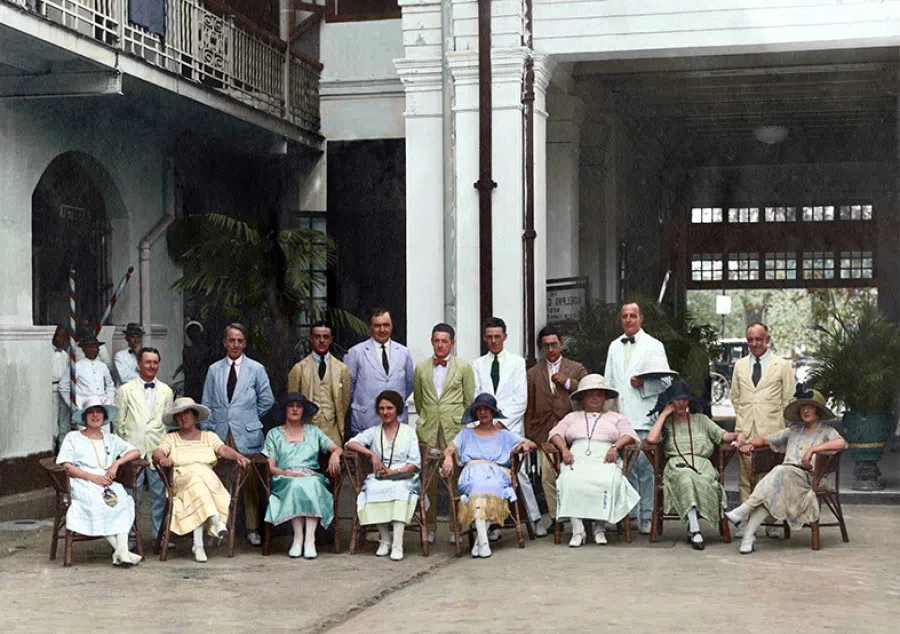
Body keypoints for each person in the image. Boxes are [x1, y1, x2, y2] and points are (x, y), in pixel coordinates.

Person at [726, 385, 847, 555]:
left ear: (818, 410)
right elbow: (766, 439)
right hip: (787, 479)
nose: (806, 410)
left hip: (811, 480)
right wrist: (751, 444)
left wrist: (813, 450)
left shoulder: (827, 432)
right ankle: (747, 537)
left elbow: (841, 443)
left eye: (810, 406)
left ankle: (743, 510)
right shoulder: (793, 431)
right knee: (772, 492)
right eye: (803, 407)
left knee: (779, 472)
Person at [646, 381, 744, 550]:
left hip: (702, 465)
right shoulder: (667, 423)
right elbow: (652, 440)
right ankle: (695, 529)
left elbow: (723, 435)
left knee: (705, 479)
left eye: (684, 399)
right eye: (677, 400)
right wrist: (663, 414)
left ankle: (699, 527)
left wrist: (738, 435)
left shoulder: (701, 420)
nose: (681, 403)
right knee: (686, 478)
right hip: (677, 466)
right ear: (670, 402)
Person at [152, 397, 251, 563]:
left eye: (187, 413)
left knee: (199, 485)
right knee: (197, 476)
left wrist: (238, 455)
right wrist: (163, 459)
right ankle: (216, 521)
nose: (183, 417)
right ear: (176, 419)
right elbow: (157, 452)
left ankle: (198, 546)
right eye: (179, 415)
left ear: (195, 416)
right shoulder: (171, 438)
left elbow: (224, 450)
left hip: (206, 481)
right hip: (182, 478)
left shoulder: (209, 436)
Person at [201, 323, 275, 547]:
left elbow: (267, 400)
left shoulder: (256, 369)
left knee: (250, 482)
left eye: (240, 341)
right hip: (221, 433)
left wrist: (249, 418)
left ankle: (252, 529)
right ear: (225, 342)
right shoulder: (215, 369)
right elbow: (206, 402)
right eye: (231, 340)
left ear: (245, 343)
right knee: (220, 481)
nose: (235, 344)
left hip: (247, 434)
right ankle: (220, 528)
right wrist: (211, 428)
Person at [440, 393, 537, 558]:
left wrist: (525, 445)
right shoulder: (466, 434)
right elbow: (449, 448)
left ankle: (481, 542)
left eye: (487, 409)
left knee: (490, 490)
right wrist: (448, 457)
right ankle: (483, 542)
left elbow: (531, 444)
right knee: (479, 489)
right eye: (479, 410)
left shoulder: (504, 435)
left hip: (496, 474)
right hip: (472, 474)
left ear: (493, 412)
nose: (483, 413)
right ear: (475, 412)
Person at [471, 317, 543, 538]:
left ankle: (535, 518)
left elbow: (520, 399)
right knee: (490, 475)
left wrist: (500, 423)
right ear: (485, 338)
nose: (494, 341)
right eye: (489, 337)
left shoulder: (517, 362)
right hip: (486, 429)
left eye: (497, 336)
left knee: (519, 474)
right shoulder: (477, 364)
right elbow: (476, 397)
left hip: (510, 428)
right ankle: (493, 524)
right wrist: (486, 426)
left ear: (505, 337)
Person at [547, 375, 639, 547]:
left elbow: (630, 435)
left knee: (605, 480)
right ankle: (578, 529)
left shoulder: (615, 417)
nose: (595, 398)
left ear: (605, 397)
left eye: (600, 394)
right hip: (576, 459)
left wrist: (615, 447)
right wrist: (564, 450)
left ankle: (599, 528)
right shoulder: (572, 417)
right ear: (583, 398)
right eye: (591, 394)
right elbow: (555, 434)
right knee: (568, 480)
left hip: (604, 458)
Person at [603, 302, 670, 535]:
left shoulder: (654, 345)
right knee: (625, 468)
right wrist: (608, 417)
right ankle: (629, 515)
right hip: (620, 419)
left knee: (644, 468)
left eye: (633, 316)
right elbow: (608, 384)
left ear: (641, 318)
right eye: (625, 316)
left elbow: (665, 382)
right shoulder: (613, 346)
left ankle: (646, 515)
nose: (629, 320)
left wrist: (645, 384)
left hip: (643, 417)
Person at [56, 396, 143, 567]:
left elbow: (135, 452)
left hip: (105, 481)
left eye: (99, 412)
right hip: (82, 480)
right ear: (84, 417)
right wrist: (92, 477)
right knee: (96, 501)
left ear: (104, 417)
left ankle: (121, 551)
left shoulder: (110, 438)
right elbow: (67, 466)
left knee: (123, 500)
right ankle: (122, 551)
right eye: (91, 413)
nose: (95, 416)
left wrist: (116, 464)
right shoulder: (73, 437)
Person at [730, 322, 795, 538]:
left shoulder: (782, 365)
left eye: (759, 339)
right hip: (747, 429)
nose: (754, 343)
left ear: (767, 338)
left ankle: (772, 522)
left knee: (771, 477)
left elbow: (789, 399)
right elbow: (736, 398)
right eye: (750, 339)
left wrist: (784, 432)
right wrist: (740, 427)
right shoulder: (739, 365)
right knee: (746, 477)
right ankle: (747, 524)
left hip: (772, 430)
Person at [413, 323, 475, 543]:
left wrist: (458, 422)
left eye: (444, 341)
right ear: (431, 342)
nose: (440, 345)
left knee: (455, 479)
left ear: (452, 343)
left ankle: (456, 528)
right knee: (428, 482)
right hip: (429, 430)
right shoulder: (421, 368)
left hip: (454, 430)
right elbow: (419, 401)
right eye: (436, 341)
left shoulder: (464, 367)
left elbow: (469, 401)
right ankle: (428, 528)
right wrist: (428, 418)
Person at [263, 393, 343, 559]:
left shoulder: (314, 432)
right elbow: (270, 467)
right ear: (284, 409)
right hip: (284, 478)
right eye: (290, 405)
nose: (294, 409)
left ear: (303, 410)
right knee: (295, 484)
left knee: (311, 484)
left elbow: (337, 448)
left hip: (312, 476)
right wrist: (286, 473)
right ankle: (297, 538)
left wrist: (335, 454)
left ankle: (309, 539)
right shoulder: (274, 434)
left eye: (298, 406)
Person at [345, 390, 421, 562]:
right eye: (381, 408)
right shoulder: (374, 431)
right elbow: (351, 443)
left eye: (389, 408)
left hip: (404, 476)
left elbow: (415, 463)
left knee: (399, 490)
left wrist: (395, 472)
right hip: (380, 476)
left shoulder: (408, 432)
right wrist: (371, 454)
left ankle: (398, 544)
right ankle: (385, 539)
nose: (385, 412)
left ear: (398, 410)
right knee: (373, 488)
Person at [525, 324, 588, 531]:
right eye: (546, 346)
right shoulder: (533, 373)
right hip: (544, 432)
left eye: (554, 344)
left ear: (561, 344)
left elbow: (589, 392)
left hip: (572, 432)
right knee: (548, 476)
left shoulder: (576, 368)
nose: (550, 349)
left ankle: (583, 516)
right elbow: (529, 405)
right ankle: (556, 518)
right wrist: (531, 433)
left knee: (574, 474)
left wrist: (568, 382)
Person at [113, 346, 174, 546]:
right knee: (132, 495)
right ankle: (131, 536)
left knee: (159, 494)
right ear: (139, 364)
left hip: (156, 449)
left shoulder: (166, 391)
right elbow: (118, 423)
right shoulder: (125, 390)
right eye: (147, 362)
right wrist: (126, 449)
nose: (151, 366)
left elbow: (167, 421)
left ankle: (159, 535)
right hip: (134, 450)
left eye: (155, 362)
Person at [344, 308, 415, 435]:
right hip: (365, 422)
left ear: (392, 326)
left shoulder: (404, 353)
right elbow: (348, 388)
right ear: (370, 327)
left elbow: (409, 383)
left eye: (386, 325)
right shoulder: (355, 352)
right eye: (377, 326)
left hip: (396, 422)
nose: (382, 330)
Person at [287, 320, 352, 446]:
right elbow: (292, 402)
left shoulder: (342, 369)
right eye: (317, 337)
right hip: (306, 429)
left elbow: (344, 402)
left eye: (325, 337)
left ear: (331, 339)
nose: (321, 341)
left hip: (333, 430)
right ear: (311, 339)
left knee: (333, 464)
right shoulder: (299, 368)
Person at [59, 333, 116, 427]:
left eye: (96, 347)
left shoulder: (102, 366)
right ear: (84, 349)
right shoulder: (77, 366)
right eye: (91, 347)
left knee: (103, 437)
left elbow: (109, 385)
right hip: (85, 409)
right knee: (86, 437)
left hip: (102, 408)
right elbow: (63, 386)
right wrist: (75, 405)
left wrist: (109, 400)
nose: (94, 350)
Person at [51, 326, 71, 447]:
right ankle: (51, 448)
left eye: (64, 337)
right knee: (52, 421)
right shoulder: (46, 353)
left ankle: (63, 450)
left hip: (64, 391)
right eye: (59, 336)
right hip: (51, 389)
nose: (61, 339)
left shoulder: (66, 355)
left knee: (64, 422)